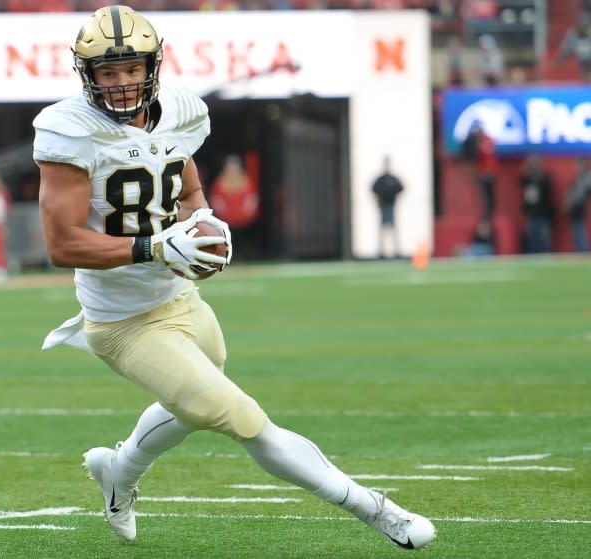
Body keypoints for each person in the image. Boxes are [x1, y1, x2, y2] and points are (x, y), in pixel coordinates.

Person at [33, 4, 435, 550]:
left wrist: (201, 223)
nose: (123, 83)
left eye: (132, 69)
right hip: (122, 320)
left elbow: (188, 188)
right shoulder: (70, 130)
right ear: (88, 75)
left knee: (193, 405)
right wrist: (155, 245)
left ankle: (118, 472)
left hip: (180, 298)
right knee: (241, 417)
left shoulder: (176, 110)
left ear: (152, 66)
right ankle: (378, 510)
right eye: (109, 72)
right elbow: (62, 244)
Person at [208, 154, 260, 260]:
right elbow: (216, 198)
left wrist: (249, 210)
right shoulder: (220, 181)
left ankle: (243, 256)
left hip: (243, 217)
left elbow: (252, 197)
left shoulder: (245, 180)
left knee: (242, 238)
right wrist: (221, 211)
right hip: (226, 217)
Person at [518, 154, 554, 254]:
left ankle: (546, 255)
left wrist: (538, 177)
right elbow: (521, 179)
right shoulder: (527, 179)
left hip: (543, 214)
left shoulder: (545, 177)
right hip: (531, 214)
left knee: (544, 238)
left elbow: (546, 188)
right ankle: (534, 255)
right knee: (532, 238)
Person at [370, 155, 404, 259]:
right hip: (383, 206)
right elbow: (373, 189)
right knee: (381, 230)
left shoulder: (393, 178)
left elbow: (401, 188)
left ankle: (396, 252)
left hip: (391, 206)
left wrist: (393, 195)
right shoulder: (380, 179)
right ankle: (380, 252)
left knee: (393, 229)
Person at [462, 120, 497, 219]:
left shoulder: (487, 140)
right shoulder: (476, 141)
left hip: (489, 171)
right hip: (481, 172)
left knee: (490, 195)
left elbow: (485, 150)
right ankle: (485, 213)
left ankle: (490, 214)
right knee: (483, 195)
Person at [564, 158, 590, 253]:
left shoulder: (586, 177)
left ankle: (583, 251)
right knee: (577, 231)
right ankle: (581, 250)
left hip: (579, 208)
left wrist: (571, 201)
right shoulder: (580, 177)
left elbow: (581, 194)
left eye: (579, 165)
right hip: (575, 208)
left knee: (579, 231)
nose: (577, 167)